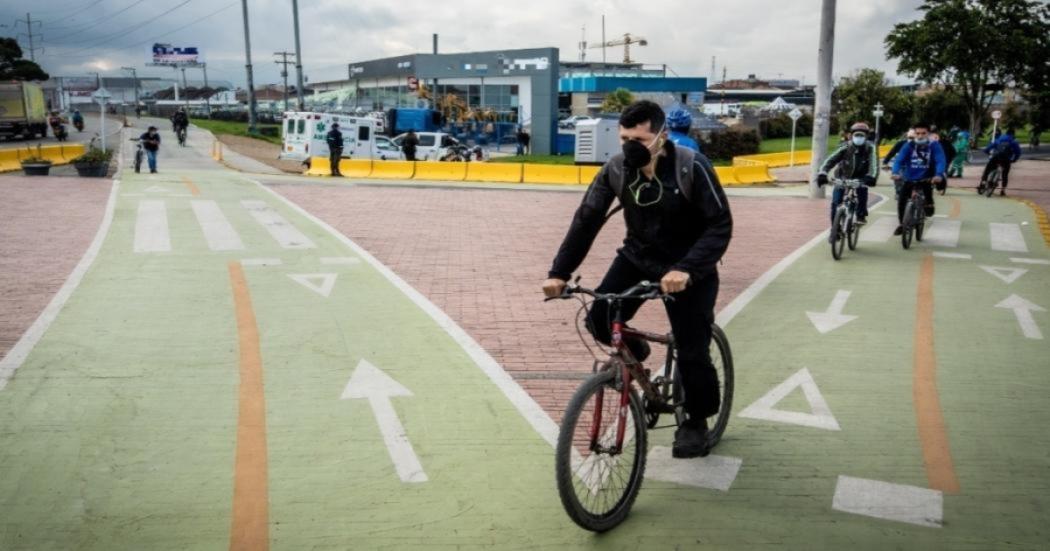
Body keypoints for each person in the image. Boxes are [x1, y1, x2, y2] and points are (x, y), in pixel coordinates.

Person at [541, 100, 732, 459]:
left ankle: (696, 421)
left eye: (640, 139)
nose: (631, 147)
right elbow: (587, 220)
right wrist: (558, 273)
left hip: (690, 267)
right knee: (600, 319)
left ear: (662, 136)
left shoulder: (692, 166)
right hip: (639, 257)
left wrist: (687, 269)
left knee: (692, 349)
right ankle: (637, 353)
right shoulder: (617, 169)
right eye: (625, 138)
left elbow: (719, 224)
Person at [817, 122, 878, 235]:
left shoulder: (870, 147)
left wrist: (871, 177)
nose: (859, 138)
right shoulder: (845, 146)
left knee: (862, 191)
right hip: (842, 177)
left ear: (866, 136)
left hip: (861, 178)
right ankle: (835, 230)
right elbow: (830, 160)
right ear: (851, 135)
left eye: (862, 135)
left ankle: (860, 215)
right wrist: (822, 173)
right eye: (856, 135)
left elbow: (873, 164)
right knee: (836, 203)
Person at [892, 123, 945, 234]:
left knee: (927, 196)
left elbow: (940, 160)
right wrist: (895, 172)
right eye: (917, 133)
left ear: (928, 134)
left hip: (927, 177)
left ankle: (929, 204)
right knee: (902, 200)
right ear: (914, 134)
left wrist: (939, 174)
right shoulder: (909, 146)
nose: (920, 136)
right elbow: (899, 160)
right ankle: (902, 224)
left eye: (923, 133)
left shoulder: (934, 145)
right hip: (909, 178)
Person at [980, 129, 1022, 196]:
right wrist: (1014, 159)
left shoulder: (1000, 139)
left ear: (1006, 133)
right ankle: (1002, 190)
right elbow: (1018, 153)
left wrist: (987, 151)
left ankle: (983, 182)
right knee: (1005, 174)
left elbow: (990, 146)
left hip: (997, 157)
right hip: (1006, 159)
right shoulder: (1013, 142)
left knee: (988, 169)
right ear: (1013, 134)